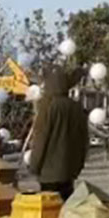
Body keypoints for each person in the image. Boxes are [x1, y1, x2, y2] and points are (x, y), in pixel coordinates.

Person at [30, 68, 88, 202]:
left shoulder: (47, 106)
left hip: (48, 172)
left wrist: (34, 165)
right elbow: (83, 140)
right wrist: (78, 165)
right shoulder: (76, 107)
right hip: (69, 170)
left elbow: (41, 139)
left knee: (50, 209)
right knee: (66, 207)